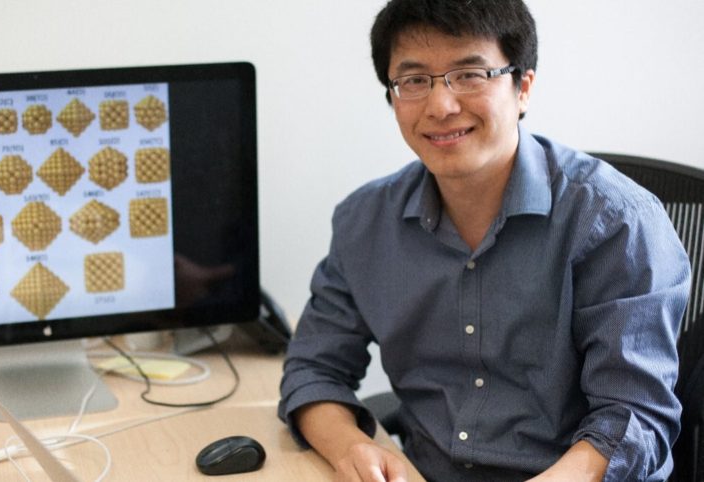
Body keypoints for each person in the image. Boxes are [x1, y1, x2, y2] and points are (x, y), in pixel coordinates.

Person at [277, 0, 692, 481]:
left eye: (470, 74)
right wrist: (352, 446)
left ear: (523, 88)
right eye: (414, 81)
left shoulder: (617, 221)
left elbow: (633, 418)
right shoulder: (364, 222)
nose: (440, 105)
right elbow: (313, 369)